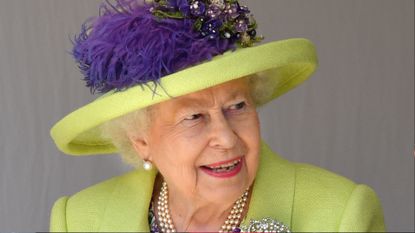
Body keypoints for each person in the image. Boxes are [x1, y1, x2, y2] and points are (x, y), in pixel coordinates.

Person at [49, 0, 386, 232]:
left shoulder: (342, 215)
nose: (226, 139)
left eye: (237, 106)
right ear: (141, 141)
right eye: (194, 117)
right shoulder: (79, 220)